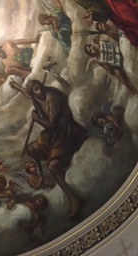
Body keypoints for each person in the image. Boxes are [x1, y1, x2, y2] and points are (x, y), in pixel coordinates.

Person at [10, 80, 86, 218]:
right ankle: (52, 177)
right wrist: (16, 87)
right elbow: (28, 94)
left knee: (53, 166)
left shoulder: (52, 97)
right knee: (31, 149)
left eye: (39, 88)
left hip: (67, 133)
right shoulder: (36, 97)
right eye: (35, 90)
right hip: (53, 135)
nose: (39, 91)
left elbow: (52, 125)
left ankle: (74, 199)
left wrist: (36, 118)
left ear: (42, 86)